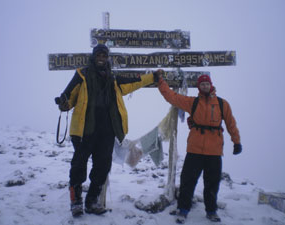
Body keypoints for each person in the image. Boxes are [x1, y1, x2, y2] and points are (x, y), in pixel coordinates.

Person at [56, 44, 155, 217]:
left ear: (107, 58)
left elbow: (135, 82)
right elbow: (69, 98)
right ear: (94, 57)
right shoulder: (82, 74)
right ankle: (76, 201)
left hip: (107, 131)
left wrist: (153, 76)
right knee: (79, 165)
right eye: (99, 55)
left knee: (103, 166)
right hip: (84, 130)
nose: (101, 58)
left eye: (104, 55)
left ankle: (92, 201)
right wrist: (64, 103)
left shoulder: (113, 79)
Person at [153, 71, 242, 222]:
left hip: (214, 151)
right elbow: (172, 97)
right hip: (195, 150)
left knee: (212, 183)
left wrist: (236, 141)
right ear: (199, 86)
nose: (205, 86)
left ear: (211, 85)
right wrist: (160, 82)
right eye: (202, 84)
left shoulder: (222, 104)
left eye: (207, 83)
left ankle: (211, 211)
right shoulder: (193, 102)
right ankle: (183, 209)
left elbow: (231, 123)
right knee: (187, 181)